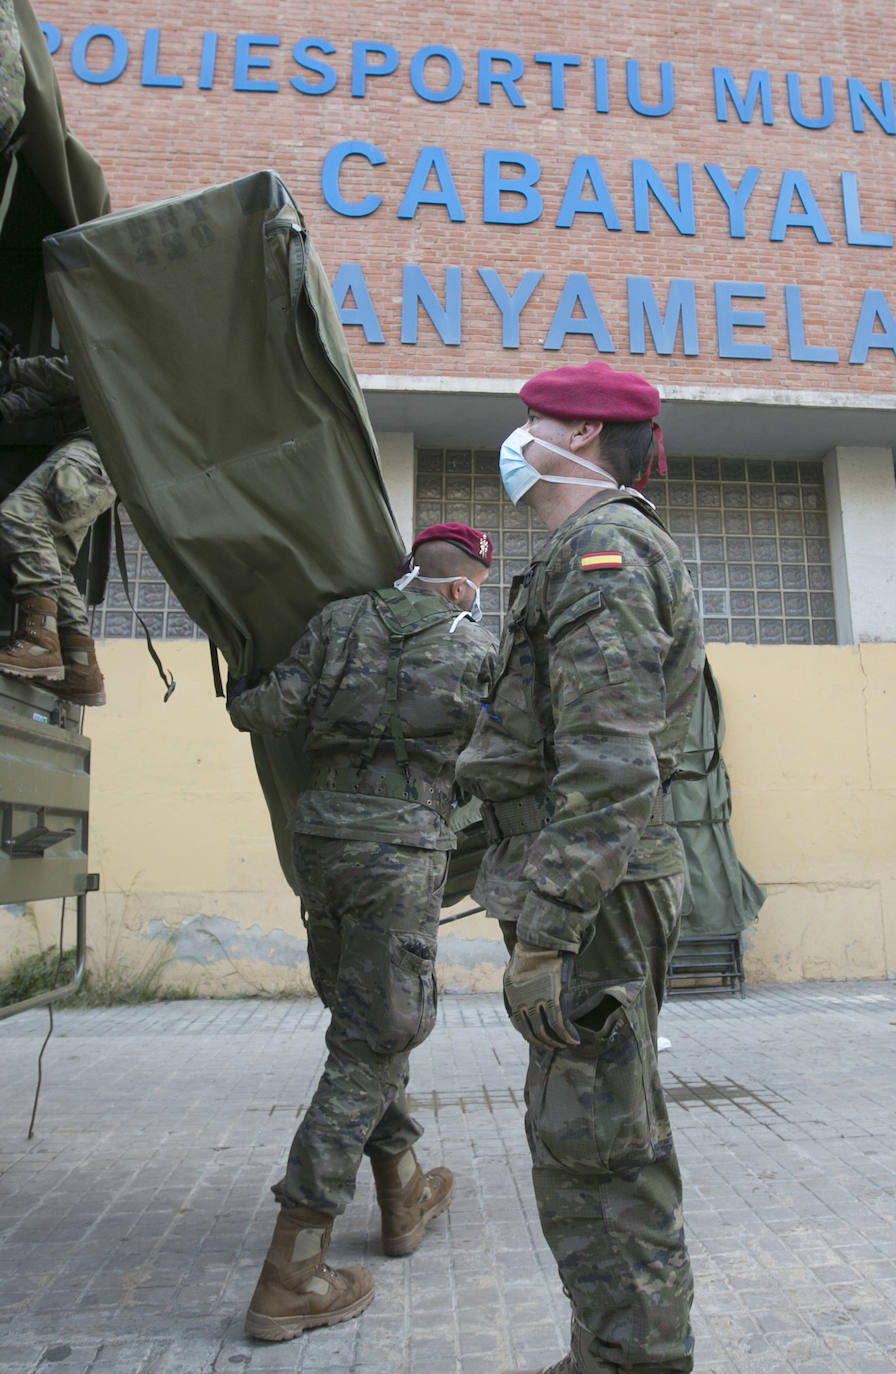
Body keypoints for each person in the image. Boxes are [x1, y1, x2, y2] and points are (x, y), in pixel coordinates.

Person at [455, 360, 705, 1374]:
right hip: (585, 878)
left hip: (593, 891)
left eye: (535, 421)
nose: (519, 438)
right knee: (579, 1137)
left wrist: (548, 926)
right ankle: (609, 1350)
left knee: (605, 1148)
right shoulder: (579, 550)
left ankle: (637, 1360)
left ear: (586, 437)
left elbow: (607, 763)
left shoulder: (603, 550)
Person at [227, 522, 497, 1343]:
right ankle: (293, 1272)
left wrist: (240, 678)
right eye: (477, 584)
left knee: (362, 1027)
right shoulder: (473, 648)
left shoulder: (339, 621)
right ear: (458, 585)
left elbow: (262, 712)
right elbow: (506, 756)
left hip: (321, 850)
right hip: (400, 853)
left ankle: (404, 1194)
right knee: (374, 1045)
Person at [0, 353, 114, 705]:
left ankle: (40, 643)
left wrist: (11, 368)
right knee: (51, 559)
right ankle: (80, 665)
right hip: (102, 460)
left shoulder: (129, 332)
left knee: (18, 519)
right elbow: (57, 394)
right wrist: (7, 405)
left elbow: (80, 371)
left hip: (94, 453)